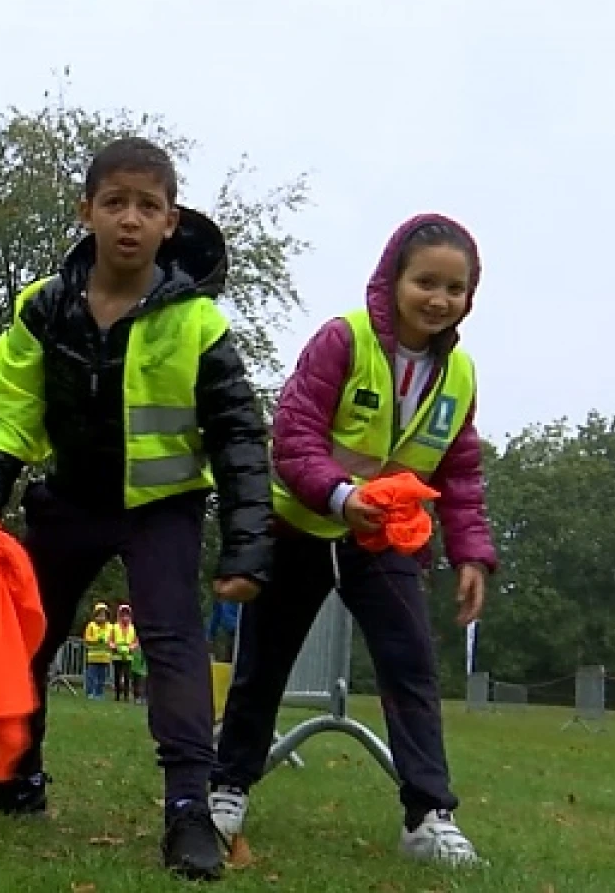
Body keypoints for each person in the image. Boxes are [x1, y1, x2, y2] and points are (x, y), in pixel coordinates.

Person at [0, 137, 273, 881]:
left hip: (163, 509)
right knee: (30, 635)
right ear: (85, 210)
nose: (130, 219)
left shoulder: (199, 325)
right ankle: (15, 781)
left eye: (147, 206)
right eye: (116, 203)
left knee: (174, 647)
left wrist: (248, 545)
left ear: (170, 222)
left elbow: (240, 438)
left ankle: (188, 812)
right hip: (70, 501)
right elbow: (4, 409)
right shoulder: (45, 307)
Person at [208, 214, 496, 868]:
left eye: (455, 288)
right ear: (393, 278)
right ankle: (226, 791)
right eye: (426, 281)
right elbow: (294, 434)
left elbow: (460, 473)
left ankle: (428, 817)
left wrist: (472, 552)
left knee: (411, 669)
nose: (438, 298)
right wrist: (342, 495)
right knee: (262, 667)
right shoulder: (344, 339)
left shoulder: (461, 375)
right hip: (301, 527)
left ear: (468, 298)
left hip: (385, 543)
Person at [80, 602, 114, 699]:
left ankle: (99, 694)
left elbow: (112, 639)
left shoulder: (110, 627)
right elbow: (87, 638)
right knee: (91, 676)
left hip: (105, 657)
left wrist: (110, 643)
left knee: (102, 678)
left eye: (103, 614)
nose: (101, 616)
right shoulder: (91, 625)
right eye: (99, 614)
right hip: (93, 656)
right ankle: (90, 693)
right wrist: (96, 640)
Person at [111, 603, 138, 702]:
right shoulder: (114, 627)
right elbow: (111, 640)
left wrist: (132, 647)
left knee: (127, 676)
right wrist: (113, 646)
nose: (125, 617)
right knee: (117, 676)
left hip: (128, 656)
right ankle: (117, 695)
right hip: (117, 655)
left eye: (127, 615)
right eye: (123, 615)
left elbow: (136, 642)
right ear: (119, 616)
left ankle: (126, 695)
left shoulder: (133, 628)